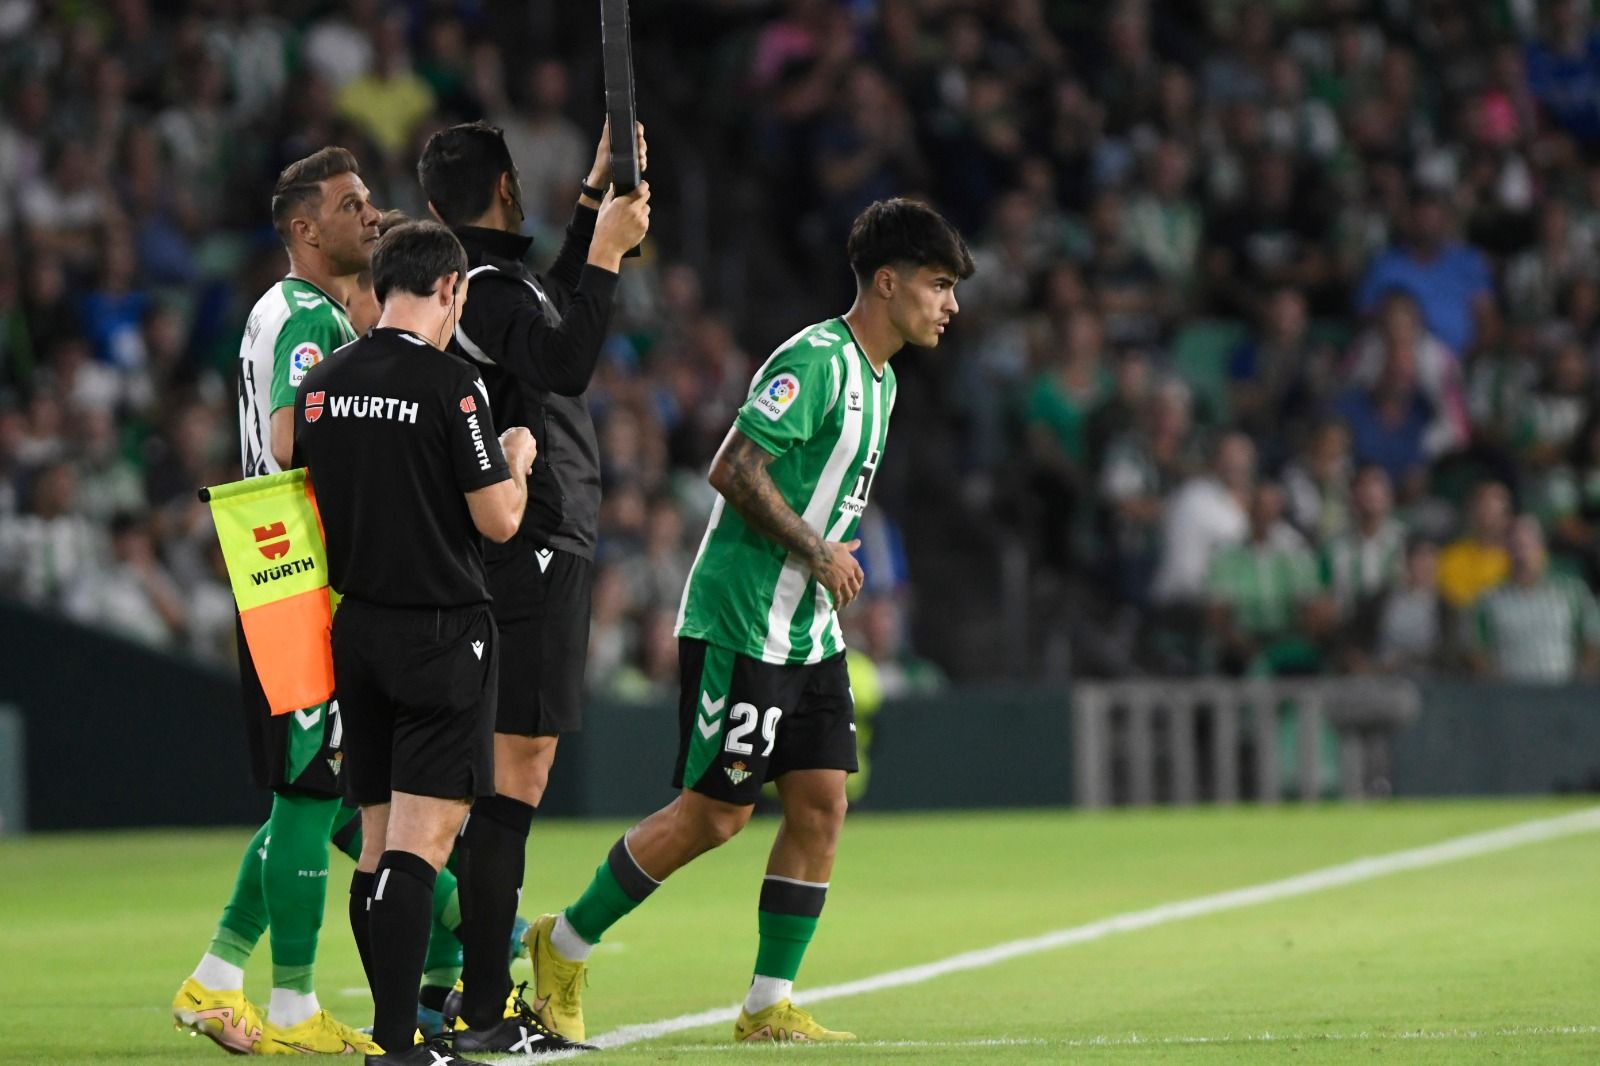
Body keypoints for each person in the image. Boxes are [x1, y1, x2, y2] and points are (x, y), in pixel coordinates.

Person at [521, 198, 973, 1045]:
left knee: (821, 805)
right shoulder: (817, 360)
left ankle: (767, 1003)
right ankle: (564, 944)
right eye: (938, 284)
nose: (950, 304)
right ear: (887, 282)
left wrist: (821, 561)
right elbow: (731, 467)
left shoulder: (883, 381)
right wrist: (818, 549)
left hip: (809, 629)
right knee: (714, 816)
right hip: (742, 619)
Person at [292, 221, 567, 1064]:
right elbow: (500, 519)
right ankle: (399, 1044)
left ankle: (396, 1034)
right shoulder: (454, 386)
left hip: (357, 629)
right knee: (425, 842)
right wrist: (516, 455)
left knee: (376, 846)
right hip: (441, 633)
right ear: (450, 289)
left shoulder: (322, 384)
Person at [412, 119, 650, 1049]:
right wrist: (611, 255)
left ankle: (465, 993)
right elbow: (564, 360)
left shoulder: (486, 285)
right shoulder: (485, 290)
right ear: (508, 187)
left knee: (506, 772)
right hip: (534, 534)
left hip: (529, 535)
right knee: (514, 772)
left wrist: (594, 202)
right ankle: (484, 1005)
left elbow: (546, 308)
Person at [172, 146, 381, 1056]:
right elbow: (298, 441)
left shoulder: (300, 310)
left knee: (322, 790)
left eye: (368, 199)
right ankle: (291, 1003)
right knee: (310, 789)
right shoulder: (301, 315)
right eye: (350, 203)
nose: (369, 214)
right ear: (306, 228)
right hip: (298, 570)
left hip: (288, 568)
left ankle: (218, 977)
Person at [1469, 516, 1600, 682]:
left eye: (1526, 545)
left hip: (1561, 688)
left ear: (1541, 546)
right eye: (1515, 545)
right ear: (1505, 550)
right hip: (1509, 691)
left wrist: (1579, 683)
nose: (1521, 552)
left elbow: (1593, 641)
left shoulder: (1572, 592)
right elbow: (1477, 650)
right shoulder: (1488, 599)